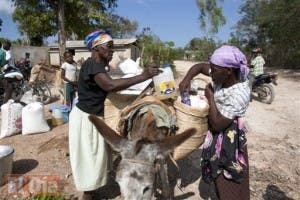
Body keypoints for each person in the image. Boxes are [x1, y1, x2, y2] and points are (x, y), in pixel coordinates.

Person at [68, 30, 160, 200]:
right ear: (97, 48)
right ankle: (88, 196)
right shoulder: (93, 65)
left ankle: (93, 193)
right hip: (85, 120)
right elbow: (110, 85)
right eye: (109, 47)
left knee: (96, 161)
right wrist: (144, 76)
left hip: (92, 118)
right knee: (91, 165)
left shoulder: (97, 66)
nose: (112, 51)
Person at [179, 45, 251, 200]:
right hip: (218, 133)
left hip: (230, 139)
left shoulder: (240, 93)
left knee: (229, 176)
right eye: (211, 68)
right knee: (217, 174)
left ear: (229, 70)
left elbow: (218, 124)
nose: (210, 72)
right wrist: (186, 80)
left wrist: (210, 97)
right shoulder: (222, 74)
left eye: (214, 69)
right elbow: (198, 67)